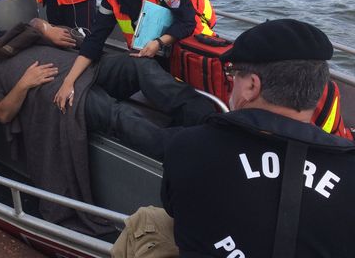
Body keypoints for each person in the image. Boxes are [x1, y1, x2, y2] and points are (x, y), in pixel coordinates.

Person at [112, 19, 355, 258]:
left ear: (251, 86)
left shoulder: (190, 147)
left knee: (146, 222)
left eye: (232, 73)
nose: (231, 82)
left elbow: (176, 209)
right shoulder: (348, 167)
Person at [0, 18, 215, 234]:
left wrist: (45, 29)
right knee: (116, 114)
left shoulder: (19, 39)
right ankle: (184, 147)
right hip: (61, 91)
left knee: (139, 65)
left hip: (82, 69)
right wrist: (24, 83)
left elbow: (35, 23)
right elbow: (3, 113)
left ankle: (205, 118)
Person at [54, 0, 217, 110]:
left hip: (190, 39)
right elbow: (95, 39)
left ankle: (198, 110)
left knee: (185, 88)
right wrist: (69, 81)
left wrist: (159, 43)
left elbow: (187, 20)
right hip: (152, 50)